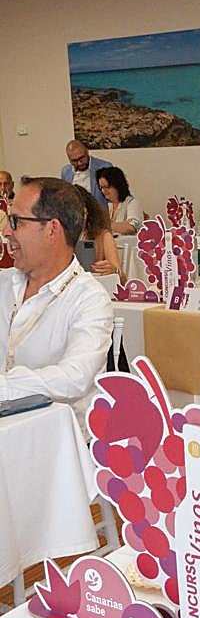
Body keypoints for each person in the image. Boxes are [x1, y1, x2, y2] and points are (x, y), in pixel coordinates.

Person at [0, 176, 113, 431]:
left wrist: (5, 387)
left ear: (52, 229)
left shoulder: (89, 299)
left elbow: (75, 377)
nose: (6, 232)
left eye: (16, 221)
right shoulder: (5, 284)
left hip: (59, 446)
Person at [74, 185, 125, 281]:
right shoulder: (56, 237)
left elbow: (122, 278)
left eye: (82, 212)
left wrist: (114, 270)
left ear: (88, 212)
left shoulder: (103, 236)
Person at [60, 140, 112, 205]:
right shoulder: (66, 172)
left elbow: (113, 198)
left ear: (87, 152)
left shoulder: (105, 167)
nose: (79, 163)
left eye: (81, 158)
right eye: (74, 161)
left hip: (98, 212)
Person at [96, 166, 144, 235]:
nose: (104, 191)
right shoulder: (109, 206)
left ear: (118, 185)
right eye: (101, 188)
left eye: (107, 187)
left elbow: (132, 228)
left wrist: (104, 225)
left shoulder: (132, 203)